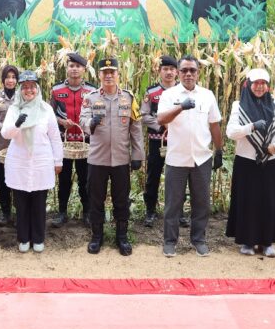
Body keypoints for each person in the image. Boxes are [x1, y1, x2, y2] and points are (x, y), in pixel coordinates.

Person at [156, 56, 222, 257]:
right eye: (184, 70)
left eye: (192, 70)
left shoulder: (207, 95)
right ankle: (169, 241)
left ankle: (199, 239)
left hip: (201, 157)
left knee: (201, 202)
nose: (188, 74)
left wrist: (219, 150)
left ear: (198, 72)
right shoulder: (169, 94)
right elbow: (161, 119)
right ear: (177, 72)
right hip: (176, 158)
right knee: (173, 203)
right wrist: (181, 107)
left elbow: (214, 124)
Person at [80, 57, 145, 256]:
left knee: (121, 199)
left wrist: (138, 155)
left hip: (120, 159)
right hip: (97, 159)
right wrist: (91, 121)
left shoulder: (128, 98)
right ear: (99, 75)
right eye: (104, 72)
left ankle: (121, 237)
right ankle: (96, 236)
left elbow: (136, 128)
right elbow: (82, 121)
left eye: (112, 72)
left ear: (118, 75)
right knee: (96, 199)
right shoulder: (90, 98)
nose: (108, 76)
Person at [225, 68, 275, 257]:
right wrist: (251, 127)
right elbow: (231, 132)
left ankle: (268, 241)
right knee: (247, 200)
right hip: (246, 160)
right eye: (256, 83)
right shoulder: (238, 106)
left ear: (268, 86)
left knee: (269, 200)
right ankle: (247, 241)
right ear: (248, 84)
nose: (260, 86)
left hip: (270, 160)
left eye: (263, 83)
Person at [1, 70, 64, 252]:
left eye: (32, 87)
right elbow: (6, 133)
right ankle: (23, 239)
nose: (28, 91)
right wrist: (17, 124)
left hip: (41, 162)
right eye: (25, 87)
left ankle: (38, 238)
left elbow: (54, 137)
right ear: (21, 90)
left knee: (38, 203)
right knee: (21, 203)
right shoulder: (14, 109)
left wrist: (57, 161)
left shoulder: (46, 109)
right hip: (19, 162)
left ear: (37, 89)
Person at [49, 52, 96, 227]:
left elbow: (97, 114)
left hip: (85, 143)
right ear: (67, 68)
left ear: (84, 69)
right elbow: (49, 115)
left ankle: (87, 213)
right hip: (64, 142)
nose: (74, 69)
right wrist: (61, 121)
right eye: (71, 66)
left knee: (86, 179)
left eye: (78, 66)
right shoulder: (56, 90)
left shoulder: (92, 91)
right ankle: (62, 212)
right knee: (64, 179)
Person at [140, 55, 184, 227]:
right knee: (153, 175)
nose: (169, 72)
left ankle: (178, 211)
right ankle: (150, 211)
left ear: (177, 72)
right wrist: (161, 124)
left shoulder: (183, 92)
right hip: (157, 140)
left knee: (179, 177)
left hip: (179, 140)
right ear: (159, 71)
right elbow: (144, 116)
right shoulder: (151, 93)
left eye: (172, 69)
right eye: (165, 69)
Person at [0, 64, 19, 225]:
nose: (10, 80)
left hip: (18, 146)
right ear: (3, 79)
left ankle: (19, 210)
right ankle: (5, 212)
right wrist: (6, 128)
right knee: (2, 180)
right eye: (7, 77)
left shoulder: (22, 97)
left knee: (17, 180)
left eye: (13, 77)